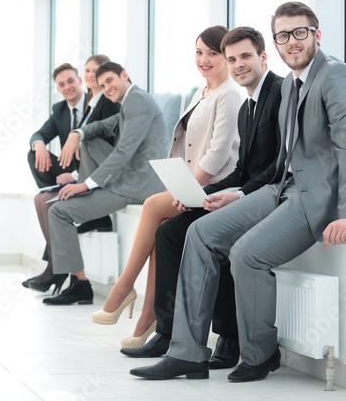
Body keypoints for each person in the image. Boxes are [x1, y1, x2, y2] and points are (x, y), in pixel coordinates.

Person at [129, 1, 346, 382]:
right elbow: (283, 161)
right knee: (199, 233)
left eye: (300, 32)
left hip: (319, 196)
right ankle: (187, 354)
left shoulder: (338, 78)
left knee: (246, 254)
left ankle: (260, 354)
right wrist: (243, 194)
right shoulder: (295, 85)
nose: (292, 41)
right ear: (277, 44)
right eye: (284, 35)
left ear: (316, 34)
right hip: (283, 187)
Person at [120, 26, 282, 369]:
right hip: (237, 191)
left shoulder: (277, 95)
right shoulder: (246, 106)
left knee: (196, 234)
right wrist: (200, 193)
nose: (237, 64)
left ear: (263, 57)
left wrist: (235, 194)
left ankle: (226, 335)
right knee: (168, 233)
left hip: (265, 197)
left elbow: (275, 169)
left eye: (243, 57)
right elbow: (242, 167)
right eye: (233, 58)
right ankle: (167, 331)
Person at [91, 26, 244, 349]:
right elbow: (186, 144)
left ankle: (124, 288)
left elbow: (218, 154)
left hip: (216, 187)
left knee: (150, 206)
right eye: (199, 51)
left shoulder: (230, 93)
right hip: (194, 184)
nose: (204, 59)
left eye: (213, 53)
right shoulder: (201, 92)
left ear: (226, 57)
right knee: (162, 227)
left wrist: (187, 189)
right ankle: (148, 317)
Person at [40, 61, 169, 305]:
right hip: (128, 180)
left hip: (137, 186)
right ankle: (90, 206)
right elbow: (103, 126)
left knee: (58, 212)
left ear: (124, 75)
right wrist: (76, 133)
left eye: (110, 80)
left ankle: (80, 285)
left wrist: (84, 185)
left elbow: (123, 152)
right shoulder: (130, 101)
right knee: (88, 138)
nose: (107, 87)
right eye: (102, 85)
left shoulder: (137, 101)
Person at [23, 58, 120, 291]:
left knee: (44, 203)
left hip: (91, 173)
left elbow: (101, 144)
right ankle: (57, 266)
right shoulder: (60, 111)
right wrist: (40, 145)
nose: (67, 87)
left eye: (71, 81)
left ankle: (54, 268)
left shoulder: (98, 103)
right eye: (61, 84)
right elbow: (39, 134)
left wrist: (77, 177)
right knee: (33, 155)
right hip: (71, 172)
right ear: (57, 88)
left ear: (79, 81)